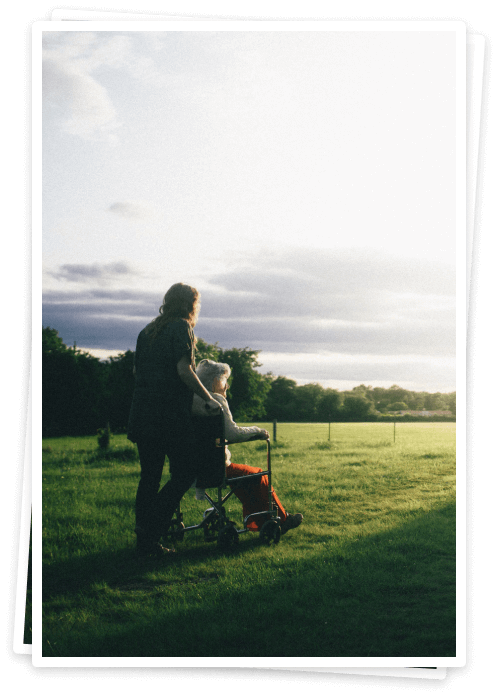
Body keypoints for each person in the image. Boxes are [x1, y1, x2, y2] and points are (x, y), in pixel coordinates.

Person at [127, 283, 221, 557]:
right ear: (190, 304)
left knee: (150, 477)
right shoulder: (181, 327)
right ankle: (151, 528)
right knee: (186, 471)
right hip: (168, 416)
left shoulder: (147, 331)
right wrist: (208, 398)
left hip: (142, 413)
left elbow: (137, 372)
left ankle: (145, 542)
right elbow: (184, 369)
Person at [191, 359, 303, 535]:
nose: (227, 386)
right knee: (258, 475)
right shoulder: (215, 401)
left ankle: (261, 521)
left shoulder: (190, 400)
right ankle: (281, 519)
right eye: (224, 380)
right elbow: (233, 433)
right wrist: (258, 431)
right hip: (215, 468)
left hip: (192, 468)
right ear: (213, 382)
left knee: (245, 477)